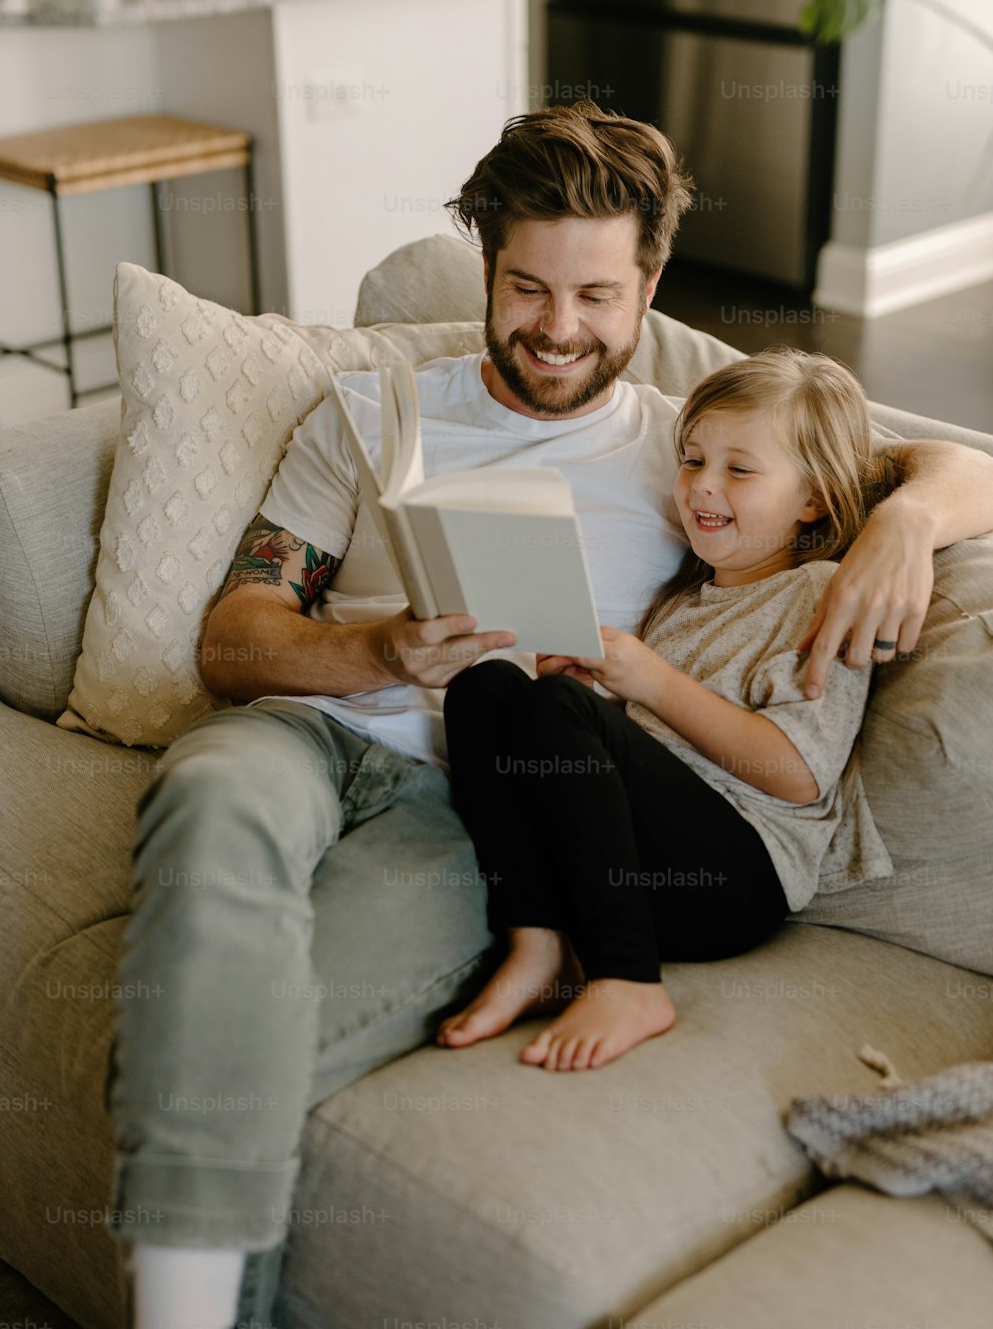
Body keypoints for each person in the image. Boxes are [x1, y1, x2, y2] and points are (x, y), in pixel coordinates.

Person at [105, 102, 993, 1329]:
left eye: (596, 297)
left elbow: (950, 465)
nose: (559, 330)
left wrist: (899, 523)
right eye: (526, 289)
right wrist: (371, 646)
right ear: (486, 267)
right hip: (301, 733)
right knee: (208, 807)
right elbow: (231, 636)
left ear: (650, 283)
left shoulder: (690, 445)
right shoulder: (370, 414)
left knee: (254, 1015)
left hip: (478, 809)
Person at [438, 348, 893, 1072]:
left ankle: (628, 980)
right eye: (691, 460)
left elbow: (799, 775)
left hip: (738, 876)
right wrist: (591, 699)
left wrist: (646, 684)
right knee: (486, 686)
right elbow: (641, 748)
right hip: (634, 859)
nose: (702, 487)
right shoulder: (682, 598)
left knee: (554, 705)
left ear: (812, 498)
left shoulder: (821, 595)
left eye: (739, 470)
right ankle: (539, 937)